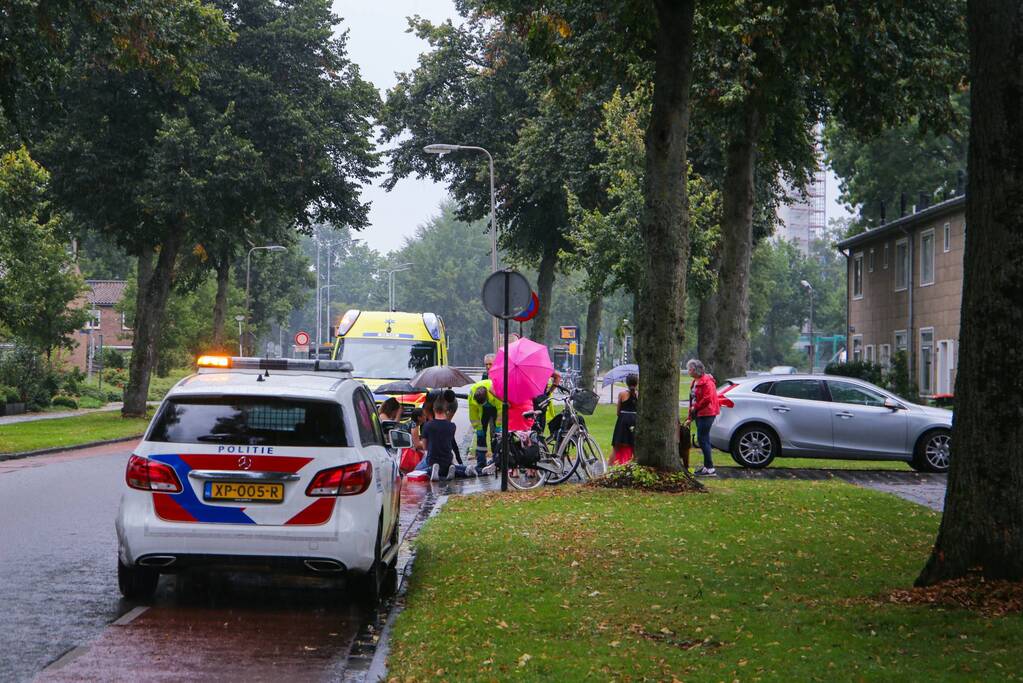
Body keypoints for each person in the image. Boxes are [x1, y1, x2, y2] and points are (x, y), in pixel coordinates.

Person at [422, 400, 478, 480]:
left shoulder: (427, 425)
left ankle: (433, 472)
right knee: (450, 467)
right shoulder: (452, 426)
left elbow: (424, 447)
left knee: (419, 469)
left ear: (434, 409)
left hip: (432, 460)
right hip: (447, 460)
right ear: (446, 410)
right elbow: (450, 444)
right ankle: (464, 470)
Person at [684, 359, 720, 476]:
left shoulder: (707, 382)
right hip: (700, 413)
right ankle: (707, 467)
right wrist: (690, 417)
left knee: (702, 439)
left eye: (690, 369)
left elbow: (707, 399)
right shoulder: (694, 382)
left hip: (707, 413)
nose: (688, 371)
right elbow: (692, 401)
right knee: (704, 439)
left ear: (695, 370)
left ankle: (710, 468)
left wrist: (695, 408)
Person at [468, 379, 502, 469]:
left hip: (495, 407)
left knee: (496, 436)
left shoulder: (495, 390)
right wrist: (478, 428)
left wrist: (498, 426)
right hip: (483, 411)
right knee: (481, 437)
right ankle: (481, 462)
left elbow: (501, 410)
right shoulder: (472, 396)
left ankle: (497, 461)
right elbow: (473, 414)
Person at [610, 373, 638, 465]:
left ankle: (609, 467)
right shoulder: (638, 394)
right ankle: (635, 466)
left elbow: (618, 412)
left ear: (627, 383)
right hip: (634, 420)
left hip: (623, 420)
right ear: (637, 383)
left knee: (616, 446)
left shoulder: (622, 394)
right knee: (634, 446)